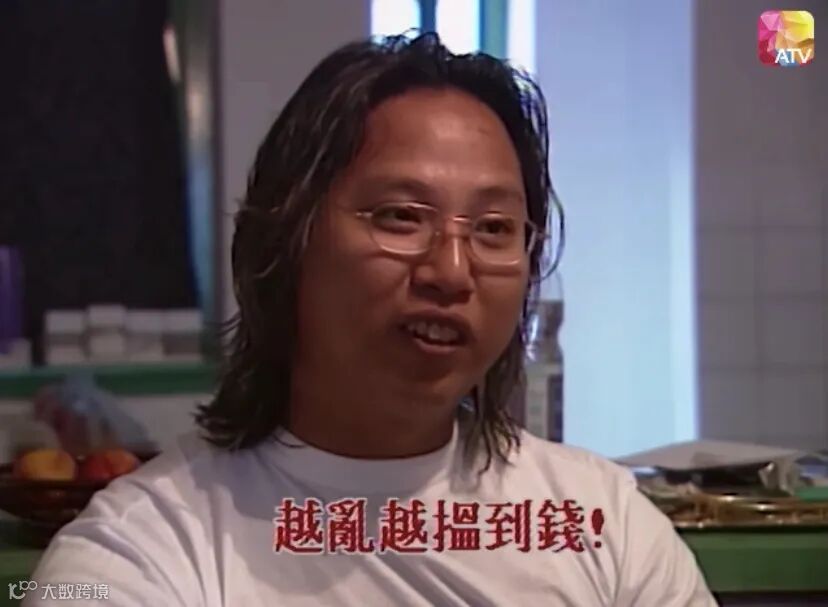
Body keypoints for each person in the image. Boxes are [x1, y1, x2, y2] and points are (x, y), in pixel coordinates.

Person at [27, 33, 716, 606]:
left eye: (494, 228)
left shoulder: (605, 526)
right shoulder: (138, 553)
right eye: (400, 217)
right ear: (284, 242)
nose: (451, 270)